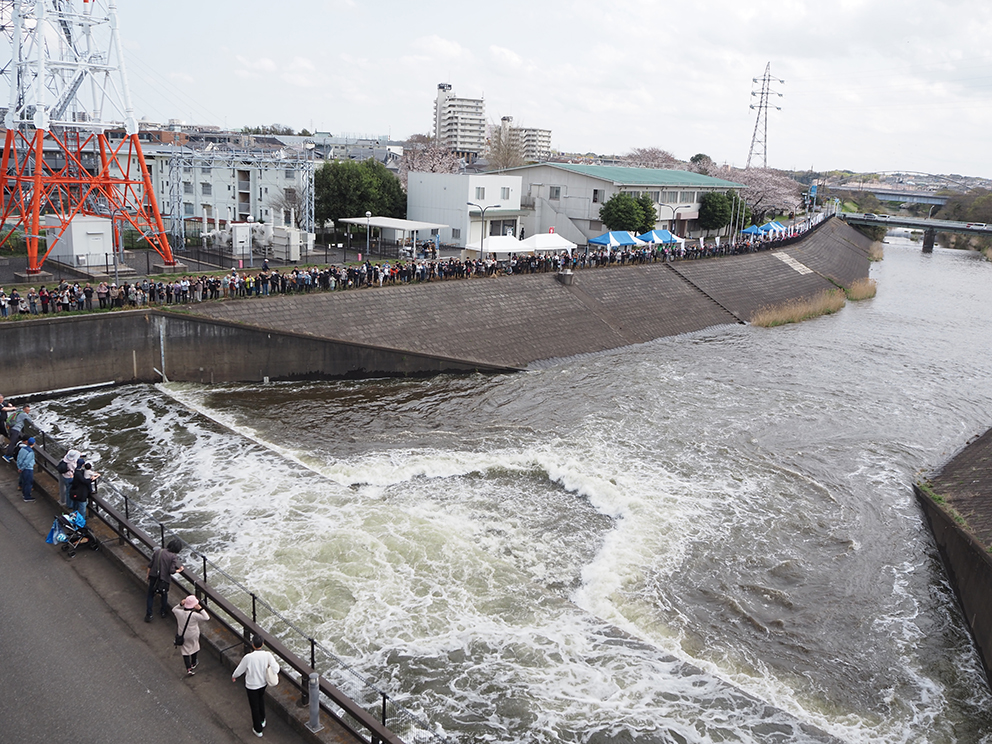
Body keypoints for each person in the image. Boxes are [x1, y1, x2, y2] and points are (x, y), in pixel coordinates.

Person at [232, 634, 279, 737]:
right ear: (262, 644)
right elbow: (276, 669)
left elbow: (240, 670)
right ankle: (262, 720)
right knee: (261, 700)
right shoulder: (267, 655)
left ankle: (258, 729)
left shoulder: (248, 657)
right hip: (263, 684)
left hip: (251, 686)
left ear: (253, 645)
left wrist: (234, 676)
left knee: (254, 707)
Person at [146, 538, 184, 623]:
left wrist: (148, 575)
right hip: (163, 579)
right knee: (164, 595)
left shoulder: (158, 552)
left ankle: (149, 614)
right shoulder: (173, 557)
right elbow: (171, 571)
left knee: (150, 595)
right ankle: (163, 612)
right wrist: (179, 570)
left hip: (153, 576)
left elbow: (150, 565)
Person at [173, 595, 209, 676]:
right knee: (194, 646)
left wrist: (180, 604)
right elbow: (206, 618)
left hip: (182, 634)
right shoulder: (194, 615)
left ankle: (188, 668)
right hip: (193, 634)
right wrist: (200, 609)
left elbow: (174, 609)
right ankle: (193, 662)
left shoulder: (179, 612)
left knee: (185, 650)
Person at [16, 436, 35, 502]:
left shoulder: (22, 449)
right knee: (28, 483)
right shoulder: (31, 452)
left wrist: (19, 467)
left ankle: (24, 494)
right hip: (28, 469)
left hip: (22, 468)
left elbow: (18, 458)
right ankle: (27, 497)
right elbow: (26, 461)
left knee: (24, 482)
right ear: (33, 443)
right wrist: (21, 468)